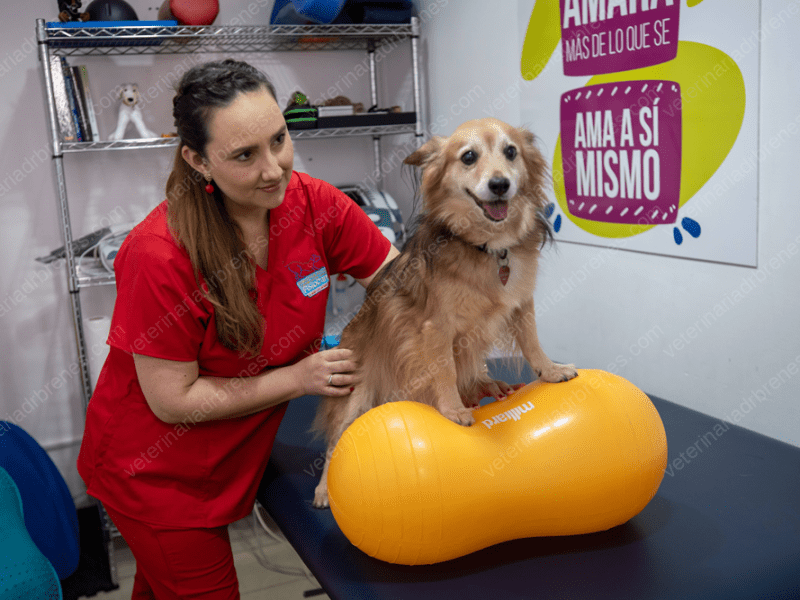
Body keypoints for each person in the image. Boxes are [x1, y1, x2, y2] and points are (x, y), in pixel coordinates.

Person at [77, 59, 399, 599]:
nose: (273, 169)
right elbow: (173, 402)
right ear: (198, 160)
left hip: (233, 453)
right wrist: (300, 378)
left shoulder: (314, 203)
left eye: (279, 140)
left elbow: (400, 281)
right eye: (244, 156)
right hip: (157, 475)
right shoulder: (160, 254)